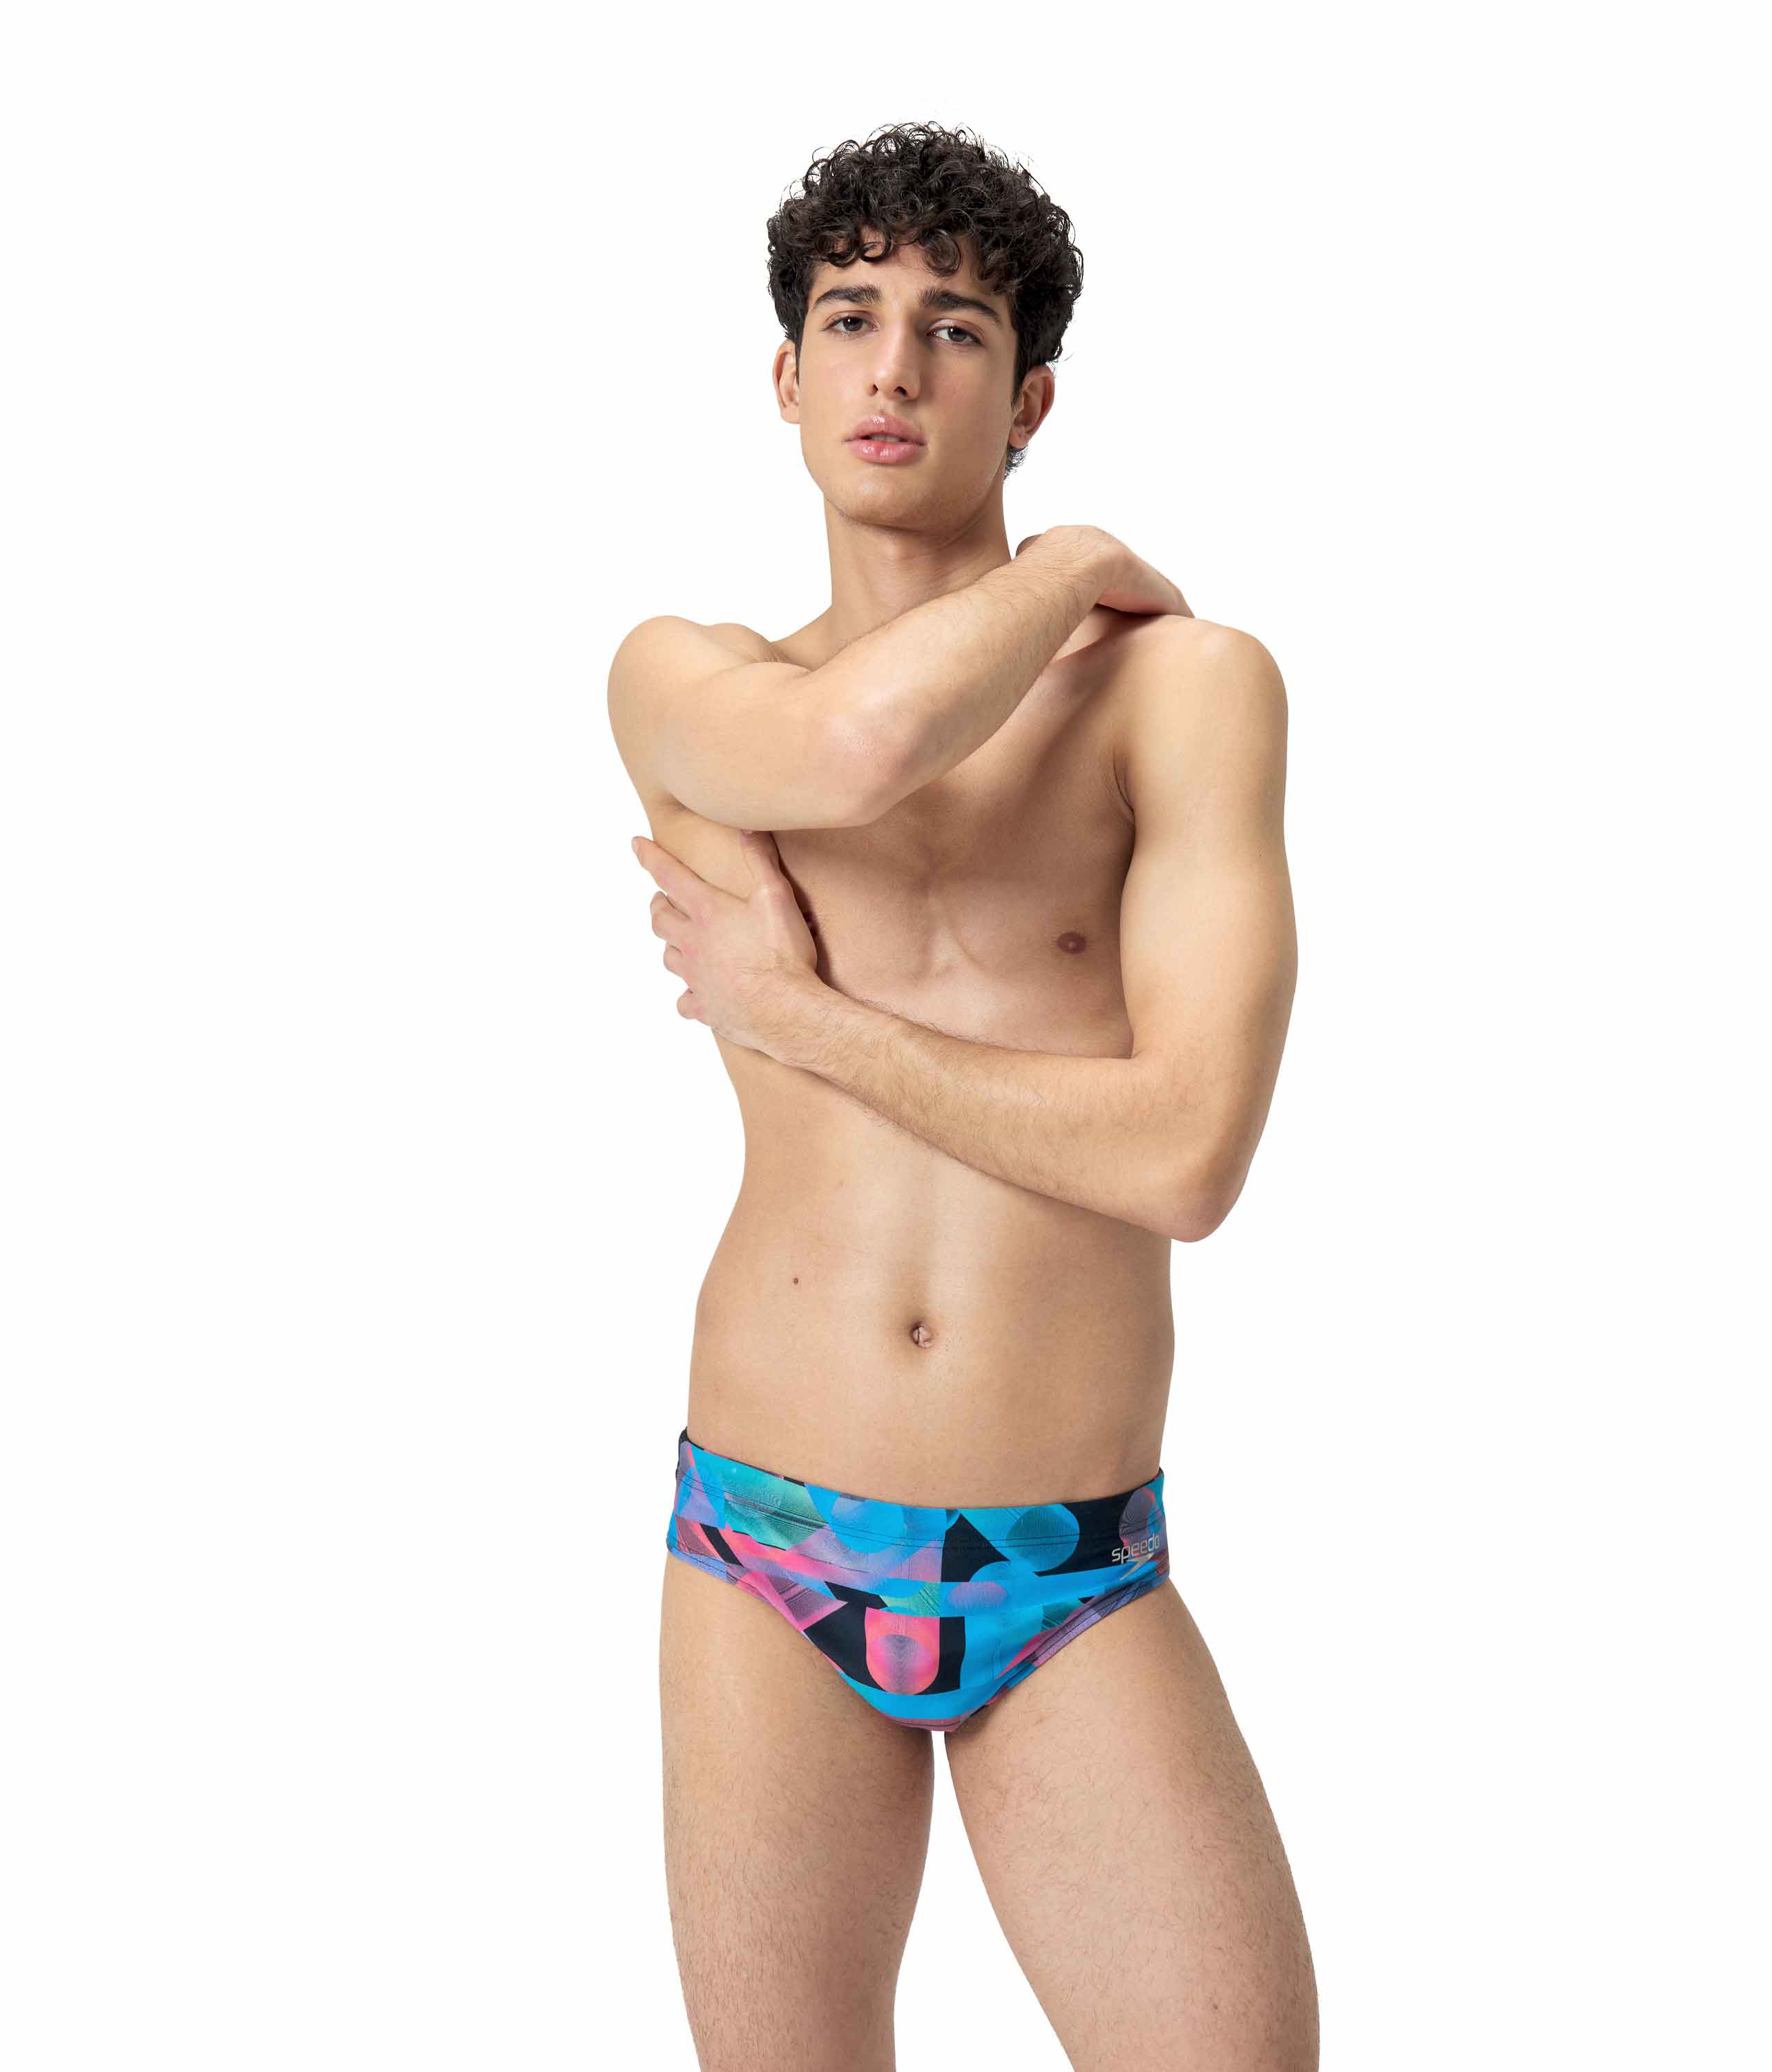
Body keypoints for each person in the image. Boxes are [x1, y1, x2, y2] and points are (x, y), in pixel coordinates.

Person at [609, 122, 1316, 2069]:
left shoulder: (1186, 691)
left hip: (1061, 1556)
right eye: (851, 319)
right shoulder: (686, 681)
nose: (896, 369)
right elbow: (855, 752)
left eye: (956, 329)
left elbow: (1186, 1156)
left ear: (1032, 398)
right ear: (786, 378)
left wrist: (807, 1019)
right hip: (764, 1530)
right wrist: (1071, 556)